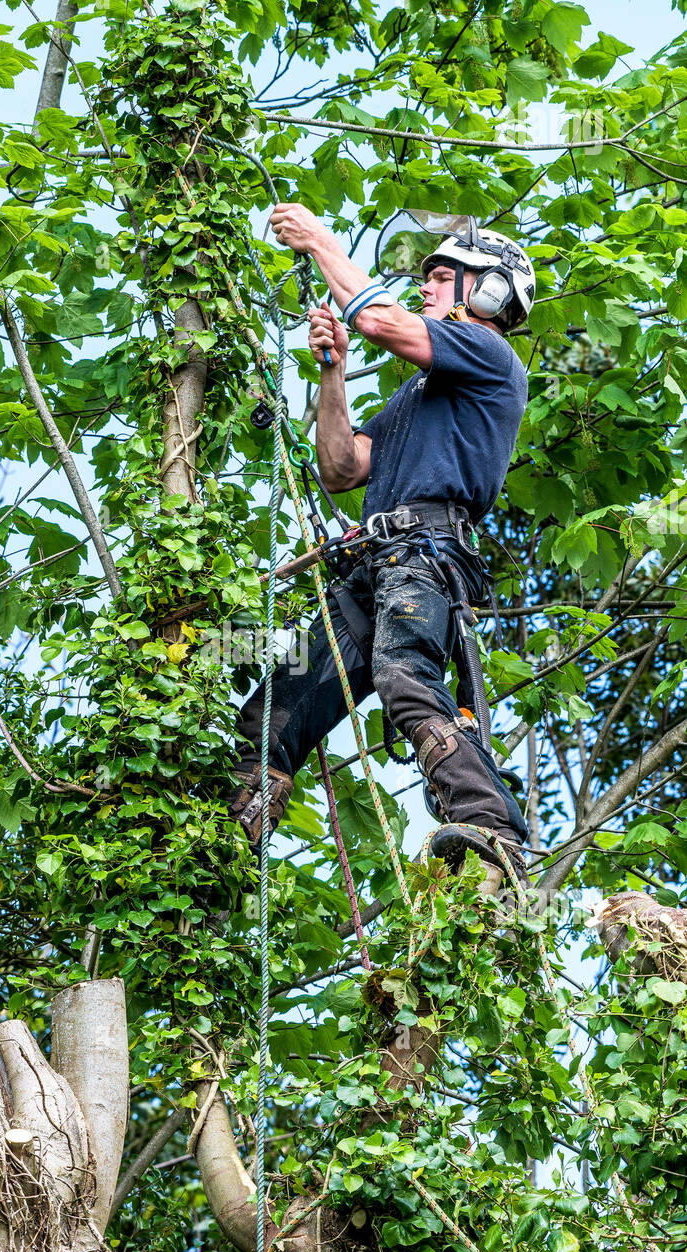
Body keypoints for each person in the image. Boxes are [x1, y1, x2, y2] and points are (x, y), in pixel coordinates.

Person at [228, 204, 536, 882]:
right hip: (373, 564)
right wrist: (332, 372)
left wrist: (319, 244)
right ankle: (221, 848)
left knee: (404, 678)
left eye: (440, 275)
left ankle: (490, 833)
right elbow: (341, 468)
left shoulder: (488, 353)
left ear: (485, 292)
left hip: (425, 555)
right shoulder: (419, 396)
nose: (425, 286)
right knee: (277, 712)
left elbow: (377, 319)